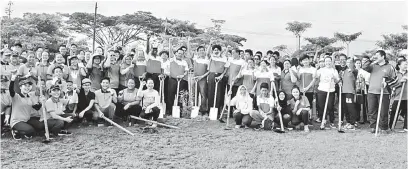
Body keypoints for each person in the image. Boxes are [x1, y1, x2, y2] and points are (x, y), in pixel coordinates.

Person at [362, 50, 398, 133]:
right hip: (371, 92)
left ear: (383, 56)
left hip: (384, 93)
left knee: (383, 111)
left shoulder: (390, 67)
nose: (376, 57)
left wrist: (387, 82)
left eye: (377, 55)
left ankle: (384, 128)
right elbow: (364, 67)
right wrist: (370, 59)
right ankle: (373, 127)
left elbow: (395, 80)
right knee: (371, 110)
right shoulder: (373, 66)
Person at [8, 75, 46, 140]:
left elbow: (36, 107)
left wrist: (41, 102)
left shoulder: (29, 97)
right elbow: (11, 89)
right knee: (30, 130)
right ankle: (15, 131)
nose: (27, 88)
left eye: (29, 86)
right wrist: (12, 79)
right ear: (20, 87)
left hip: (26, 120)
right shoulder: (16, 96)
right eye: (25, 86)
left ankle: (26, 132)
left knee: (40, 126)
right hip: (17, 121)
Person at [315, 56, 340, 128]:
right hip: (321, 90)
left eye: (329, 61)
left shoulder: (334, 70)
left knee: (330, 106)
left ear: (331, 62)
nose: (328, 63)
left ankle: (332, 121)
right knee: (321, 106)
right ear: (324, 62)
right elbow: (315, 76)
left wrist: (334, 77)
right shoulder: (321, 70)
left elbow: (337, 81)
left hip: (331, 90)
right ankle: (323, 119)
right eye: (326, 61)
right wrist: (316, 69)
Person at [207, 45, 229, 118]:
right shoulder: (211, 57)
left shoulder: (224, 58)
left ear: (220, 51)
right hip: (212, 75)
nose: (216, 51)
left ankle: (218, 111)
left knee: (219, 94)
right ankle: (210, 111)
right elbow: (207, 53)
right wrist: (210, 43)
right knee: (211, 93)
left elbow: (226, 69)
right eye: (214, 50)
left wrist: (222, 75)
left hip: (220, 76)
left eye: (217, 50)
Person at [167, 47, 189, 117]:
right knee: (170, 95)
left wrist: (182, 75)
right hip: (172, 80)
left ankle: (180, 112)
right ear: (176, 54)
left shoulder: (184, 62)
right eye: (179, 53)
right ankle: (170, 111)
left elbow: (186, 71)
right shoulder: (171, 60)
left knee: (180, 96)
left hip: (181, 80)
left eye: (182, 54)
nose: (180, 55)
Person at [339, 57, 359, 130]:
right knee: (346, 108)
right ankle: (348, 122)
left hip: (350, 92)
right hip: (344, 91)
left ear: (353, 63)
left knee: (351, 108)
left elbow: (355, 74)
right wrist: (340, 81)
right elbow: (341, 80)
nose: (348, 63)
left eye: (350, 62)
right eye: (347, 62)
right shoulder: (344, 71)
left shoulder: (354, 71)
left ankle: (353, 123)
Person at [388, 59, 407, 132]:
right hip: (398, 97)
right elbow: (391, 85)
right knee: (394, 112)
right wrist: (400, 82)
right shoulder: (395, 74)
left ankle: (406, 127)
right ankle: (391, 126)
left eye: (406, 64)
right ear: (399, 65)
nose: (406, 66)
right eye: (404, 64)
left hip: (407, 97)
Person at [193, 46, 210, 116]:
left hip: (203, 79)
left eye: (203, 50)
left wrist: (202, 77)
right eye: (200, 50)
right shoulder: (195, 59)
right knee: (194, 94)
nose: (201, 52)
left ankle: (203, 110)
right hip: (195, 79)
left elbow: (209, 71)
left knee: (203, 95)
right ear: (197, 52)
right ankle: (194, 109)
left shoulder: (207, 60)